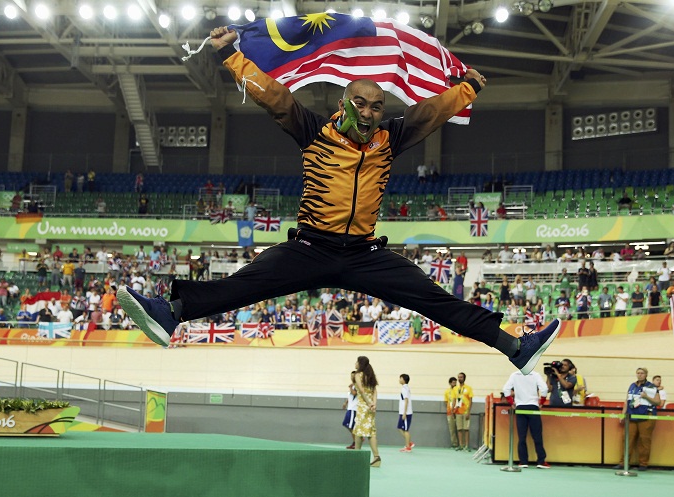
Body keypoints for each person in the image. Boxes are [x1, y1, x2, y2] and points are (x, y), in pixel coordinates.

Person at [117, 25, 559, 378]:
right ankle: (169, 313)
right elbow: (274, 96)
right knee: (246, 283)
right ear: (345, 103)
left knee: (435, 299)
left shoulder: (391, 138)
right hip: (309, 248)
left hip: (366, 255)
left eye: (377, 107)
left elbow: (427, 114)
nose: (369, 113)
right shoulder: (312, 130)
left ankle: (515, 348)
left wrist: (465, 91)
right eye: (362, 104)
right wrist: (229, 56)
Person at [614, 367, 661, 471]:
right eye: (638, 373)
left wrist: (646, 397)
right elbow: (627, 401)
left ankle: (643, 464)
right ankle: (624, 463)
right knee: (627, 440)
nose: (640, 375)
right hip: (631, 416)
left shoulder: (651, 386)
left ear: (646, 375)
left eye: (642, 373)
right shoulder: (632, 385)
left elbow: (658, 402)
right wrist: (623, 414)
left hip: (646, 416)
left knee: (644, 441)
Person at [503, 369, 550, 469]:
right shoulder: (535, 375)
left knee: (522, 436)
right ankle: (541, 461)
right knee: (537, 436)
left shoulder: (514, 375)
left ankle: (523, 461)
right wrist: (542, 401)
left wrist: (511, 402)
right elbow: (545, 389)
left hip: (520, 407)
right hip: (533, 406)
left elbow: (506, 389)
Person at [352, 356, 381, 467]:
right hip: (371, 408)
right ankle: (376, 457)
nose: (355, 363)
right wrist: (374, 404)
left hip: (363, 406)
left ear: (360, 364)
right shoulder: (370, 375)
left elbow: (361, 390)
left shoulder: (358, 375)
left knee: (359, 430)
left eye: (356, 361)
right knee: (371, 432)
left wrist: (369, 403)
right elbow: (374, 391)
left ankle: (357, 456)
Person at [453, 371, 474, 451]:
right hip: (458, 411)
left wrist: (469, 411)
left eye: (461, 377)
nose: (459, 378)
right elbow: (454, 400)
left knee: (466, 429)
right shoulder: (455, 389)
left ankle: (467, 445)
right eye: (458, 377)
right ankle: (461, 445)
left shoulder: (468, 388)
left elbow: (471, 400)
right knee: (459, 429)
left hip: (465, 411)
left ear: (464, 378)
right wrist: (453, 410)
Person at [341, 371, 360, 449]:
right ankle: (356, 440)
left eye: (353, 376)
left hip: (354, 409)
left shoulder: (357, 385)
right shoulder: (352, 385)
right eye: (351, 376)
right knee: (345, 423)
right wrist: (345, 403)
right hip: (349, 408)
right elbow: (350, 396)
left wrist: (350, 388)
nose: (352, 377)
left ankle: (357, 441)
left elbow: (355, 393)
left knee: (351, 426)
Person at [398, 374, 414, 453]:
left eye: (400, 378)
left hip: (406, 413)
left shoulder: (405, 388)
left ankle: (408, 447)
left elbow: (406, 400)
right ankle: (409, 443)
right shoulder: (405, 388)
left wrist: (404, 413)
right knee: (399, 428)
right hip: (402, 412)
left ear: (404, 379)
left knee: (405, 430)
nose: (399, 379)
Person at [444, 377, 459, 449]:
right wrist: (450, 409)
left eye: (456, 382)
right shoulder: (447, 391)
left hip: (458, 411)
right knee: (452, 429)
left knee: (460, 428)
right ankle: (454, 444)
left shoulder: (459, 390)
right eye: (453, 382)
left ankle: (462, 444)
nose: (455, 384)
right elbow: (446, 401)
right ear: (450, 383)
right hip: (450, 412)